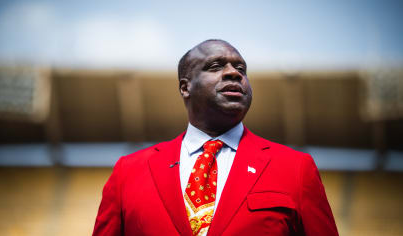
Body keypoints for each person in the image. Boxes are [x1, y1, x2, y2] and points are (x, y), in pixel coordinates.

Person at [93, 39, 338, 236]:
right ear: (185, 87)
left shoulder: (295, 168)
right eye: (215, 66)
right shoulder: (129, 172)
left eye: (241, 69)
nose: (233, 73)